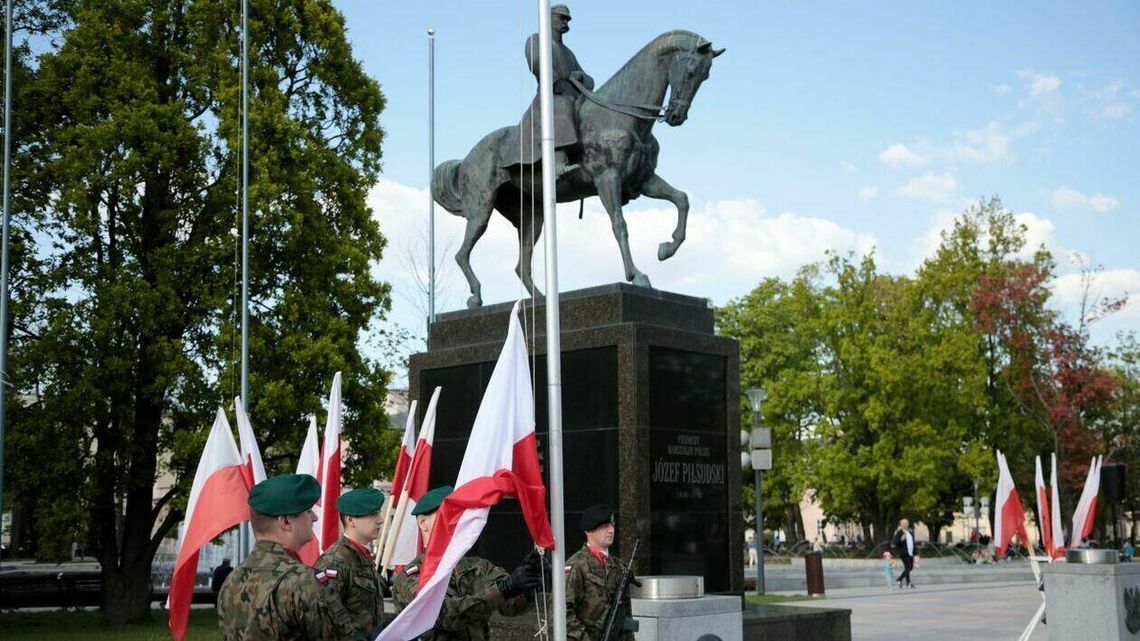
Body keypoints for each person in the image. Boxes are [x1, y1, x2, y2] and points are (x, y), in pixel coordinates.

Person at [217, 474, 370, 641]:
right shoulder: (303, 581)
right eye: (308, 511)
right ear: (285, 521)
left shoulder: (231, 581)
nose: (314, 517)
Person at [391, 486, 542, 640]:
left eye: (460, 515)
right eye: (448, 514)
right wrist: (503, 589)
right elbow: (442, 616)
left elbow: (511, 607)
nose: (457, 521)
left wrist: (527, 581)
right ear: (423, 522)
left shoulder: (477, 567)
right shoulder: (411, 576)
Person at [512, 4, 595, 176]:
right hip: (552, 93)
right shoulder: (536, 40)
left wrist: (581, 77)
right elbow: (536, 62)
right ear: (548, 18)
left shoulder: (569, 53)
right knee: (562, 106)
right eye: (561, 17)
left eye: (567, 19)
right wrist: (553, 79)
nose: (565, 21)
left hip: (573, 94)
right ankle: (558, 162)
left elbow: (589, 81)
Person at [314, 487, 393, 636]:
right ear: (350, 520)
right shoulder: (334, 562)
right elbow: (325, 621)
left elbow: (367, 614)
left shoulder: (361, 556)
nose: (380, 520)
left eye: (378, 513)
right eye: (372, 514)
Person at [566, 505, 636, 641]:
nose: (610, 531)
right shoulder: (576, 566)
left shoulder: (619, 566)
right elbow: (562, 612)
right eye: (604, 527)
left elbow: (626, 613)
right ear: (589, 531)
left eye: (612, 525)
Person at [892, 518, 916, 588]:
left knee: (910, 568)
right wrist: (901, 539)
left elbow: (913, 543)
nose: (905, 524)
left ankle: (899, 579)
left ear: (908, 524)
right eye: (903, 523)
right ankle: (908, 583)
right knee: (907, 567)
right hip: (904, 553)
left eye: (906, 523)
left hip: (910, 553)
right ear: (901, 524)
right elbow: (894, 543)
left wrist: (916, 554)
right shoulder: (899, 533)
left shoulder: (910, 532)